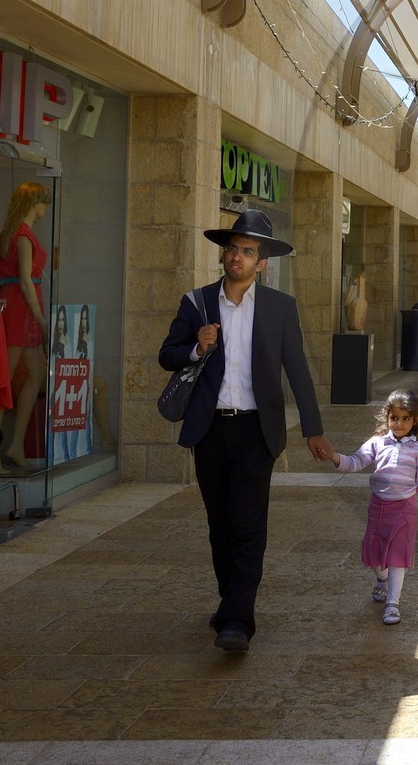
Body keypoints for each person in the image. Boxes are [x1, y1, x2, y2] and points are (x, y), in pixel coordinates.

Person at [157, 208, 333, 652]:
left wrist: (313, 429)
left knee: (248, 525)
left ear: (262, 263)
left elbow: (297, 369)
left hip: (258, 431)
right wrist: (197, 346)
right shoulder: (196, 302)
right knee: (220, 524)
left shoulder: (279, 307)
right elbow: (167, 355)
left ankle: (238, 619)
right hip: (209, 431)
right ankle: (229, 601)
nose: (237, 256)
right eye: (233, 248)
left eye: (247, 251)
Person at [331, 389, 418, 626]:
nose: (399, 424)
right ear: (387, 417)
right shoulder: (377, 443)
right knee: (376, 556)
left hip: (404, 510)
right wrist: (336, 457)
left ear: (415, 420)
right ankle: (382, 578)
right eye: (394, 418)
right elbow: (356, 461)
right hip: (378, 508)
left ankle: (393, 605)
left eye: (405, 418)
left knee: (398, 557)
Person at [0, 181, 50, 471]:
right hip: (20, 307)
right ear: (33, 203)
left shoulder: (12, 234)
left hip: (18, 304)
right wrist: (41, 319)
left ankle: (14, 445)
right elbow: (26, 279)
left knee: (34, 375)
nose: (45, 208)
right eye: (42, 203)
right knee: (3, 380)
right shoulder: (23, 236)